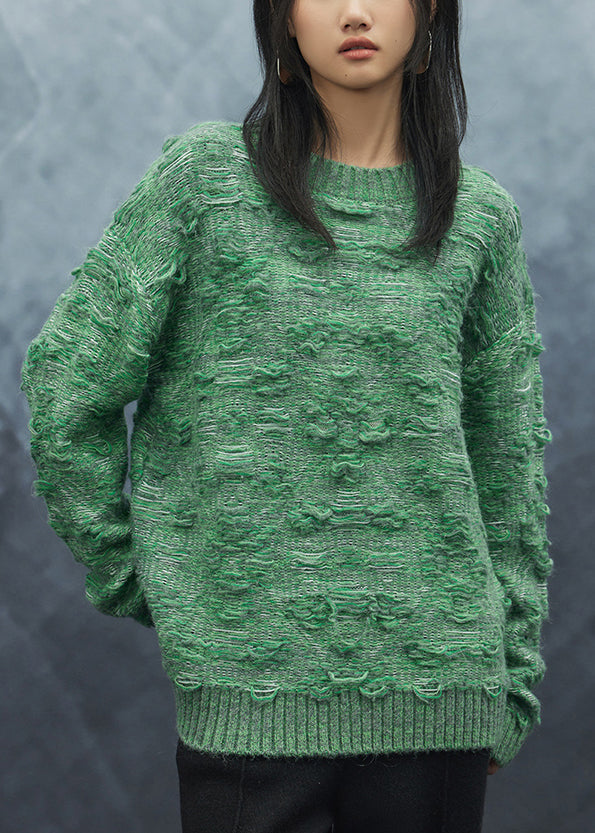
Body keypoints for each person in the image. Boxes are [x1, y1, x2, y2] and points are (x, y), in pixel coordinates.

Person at [20, 0, 554, 831]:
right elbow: (65, 381)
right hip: (247, 703)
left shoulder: (478, 217)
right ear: (282, 20)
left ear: (429, 17)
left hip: (440, 699)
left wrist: (512, 672)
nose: (353, 10)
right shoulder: (203, 185)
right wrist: (145, 572)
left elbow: (507, 464)